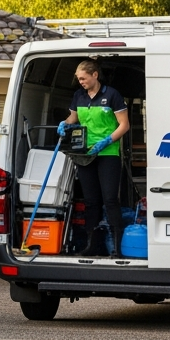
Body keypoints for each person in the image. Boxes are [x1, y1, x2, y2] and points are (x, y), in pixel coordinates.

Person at [60, 59, 130, 257]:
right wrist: (64, 124)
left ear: (95, 75)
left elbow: (124, 125)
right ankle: (92, 244)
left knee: (110, 200)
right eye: (78, 79)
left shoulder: (112, 95)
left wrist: (107, 141)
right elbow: (73, 118)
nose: (80, 81)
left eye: (83, 78)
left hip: (108, 153)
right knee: (91, 201)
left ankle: (117, 246)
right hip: (86, 154)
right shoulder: (79, 96)